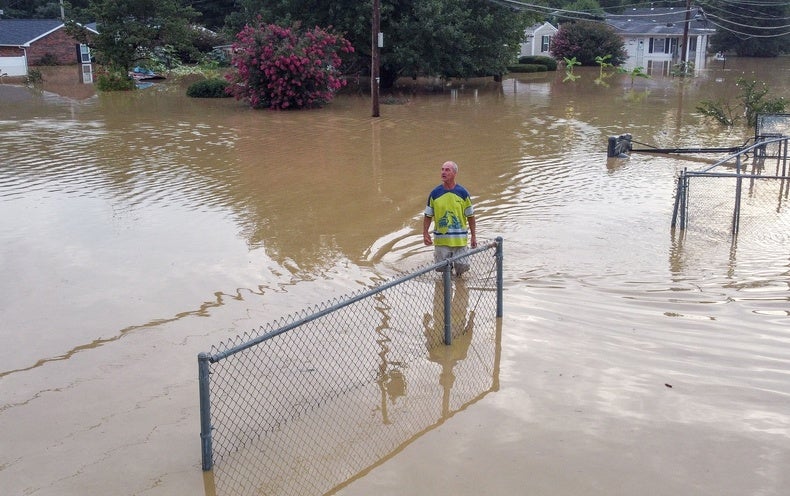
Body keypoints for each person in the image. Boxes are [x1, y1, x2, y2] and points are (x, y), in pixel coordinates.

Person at [423, 160, 477, 276]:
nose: (443, 172)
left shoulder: (463, 194)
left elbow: (471, 216)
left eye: (447, 170)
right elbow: (428, 215)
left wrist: (473, 236)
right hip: (442, 242)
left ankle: (459, 288)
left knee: (461, 271)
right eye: (442, 169)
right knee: (444, 273)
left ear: (454, 173)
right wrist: (425, 233)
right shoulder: (434, 194)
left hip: (460, 241)